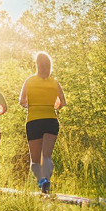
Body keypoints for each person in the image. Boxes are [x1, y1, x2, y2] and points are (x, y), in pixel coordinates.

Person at [19, 52, 66, 194]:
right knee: (46, 156)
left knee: (35, 159)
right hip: (51, 121)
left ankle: (42, 181)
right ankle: (46, 181)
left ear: (37, 65)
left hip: (34, 121)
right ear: (50, 66)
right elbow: (62, 102)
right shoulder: (54, 83)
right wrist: (52, 105)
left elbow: (22, 101)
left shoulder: (30, 81)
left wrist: (31, 105)